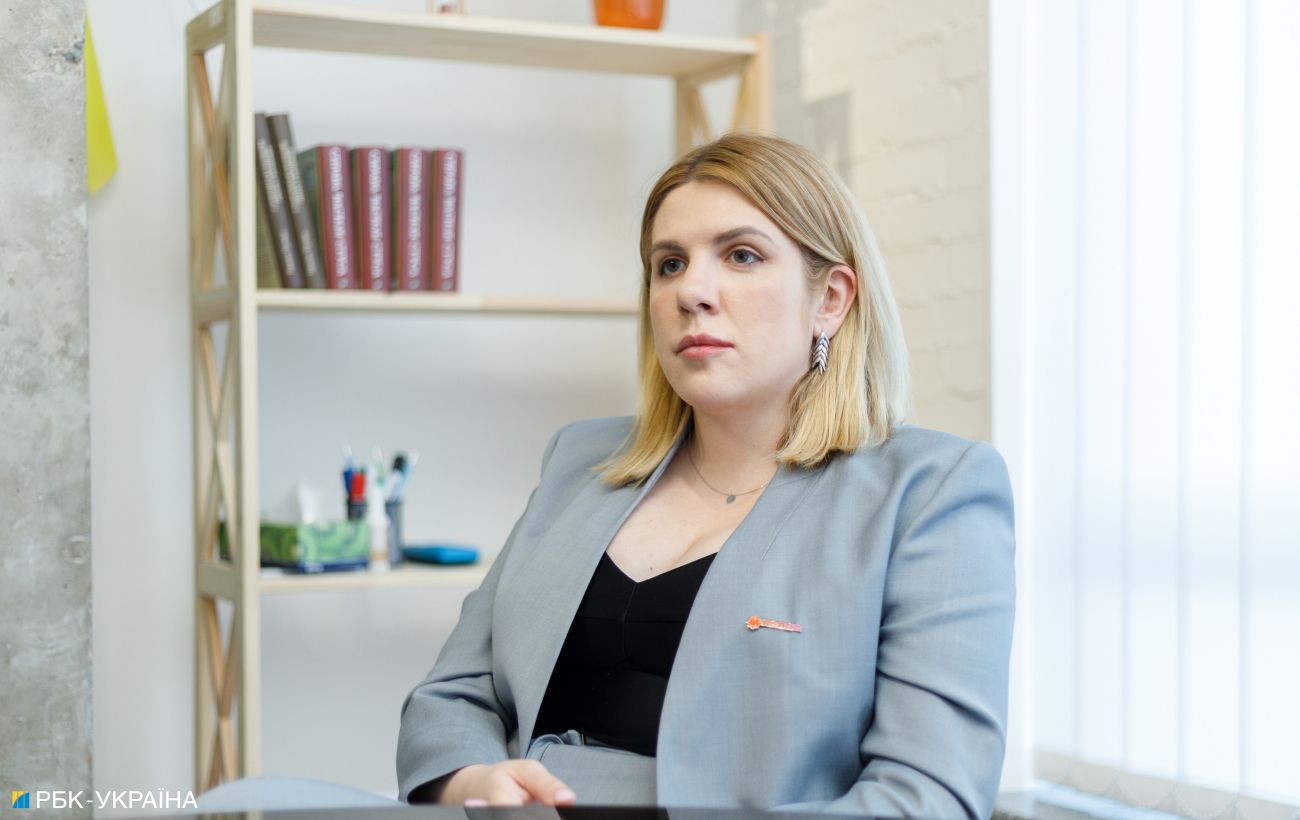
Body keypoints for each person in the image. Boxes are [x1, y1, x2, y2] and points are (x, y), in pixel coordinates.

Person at [396, 131, 1016, 819]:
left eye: (741, 255)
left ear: (831, 299)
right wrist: (473, 782)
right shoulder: (578, 461)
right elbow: (450, 697)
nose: (691, 290)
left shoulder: (931, 491)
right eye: (669, 264)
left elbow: (925, 797)